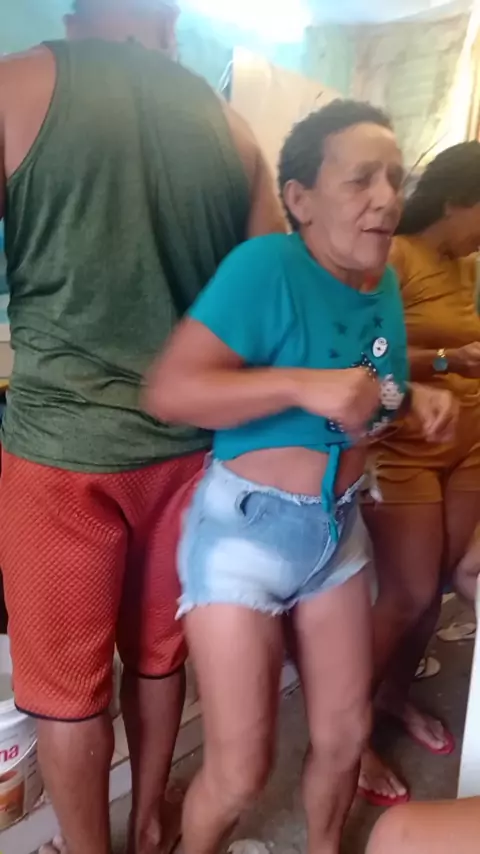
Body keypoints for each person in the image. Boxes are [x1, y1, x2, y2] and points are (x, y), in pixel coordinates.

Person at [0, 2, 285, 853]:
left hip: (62, 456)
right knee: (160, 656)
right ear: (167, 26)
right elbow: (266, 304)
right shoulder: (233, 130)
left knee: (66, 691)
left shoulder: (16, 87)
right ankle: (153, 822)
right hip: (188, 459)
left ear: (77, 17)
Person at [147, 100, 458, 854]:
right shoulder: (266, 268)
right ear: (301, 198)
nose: (386, 198)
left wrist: (410, 399)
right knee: (240, 772)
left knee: (346, 736)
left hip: (337, 533)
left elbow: (372, 388)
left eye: (395, 178)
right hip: (244, 536)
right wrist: (299, 385)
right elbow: (170, 391)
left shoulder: (379, 278)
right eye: (360, 179)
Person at [359, 142, 480, 806]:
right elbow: (366, 358)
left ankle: (393, 697)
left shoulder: (463, 265)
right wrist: (446, 362)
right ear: (457, 201)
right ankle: (344, 736)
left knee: (432, 590)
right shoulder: (393, 257)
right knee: (404, 596)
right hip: (406, 449)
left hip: (468, 444)